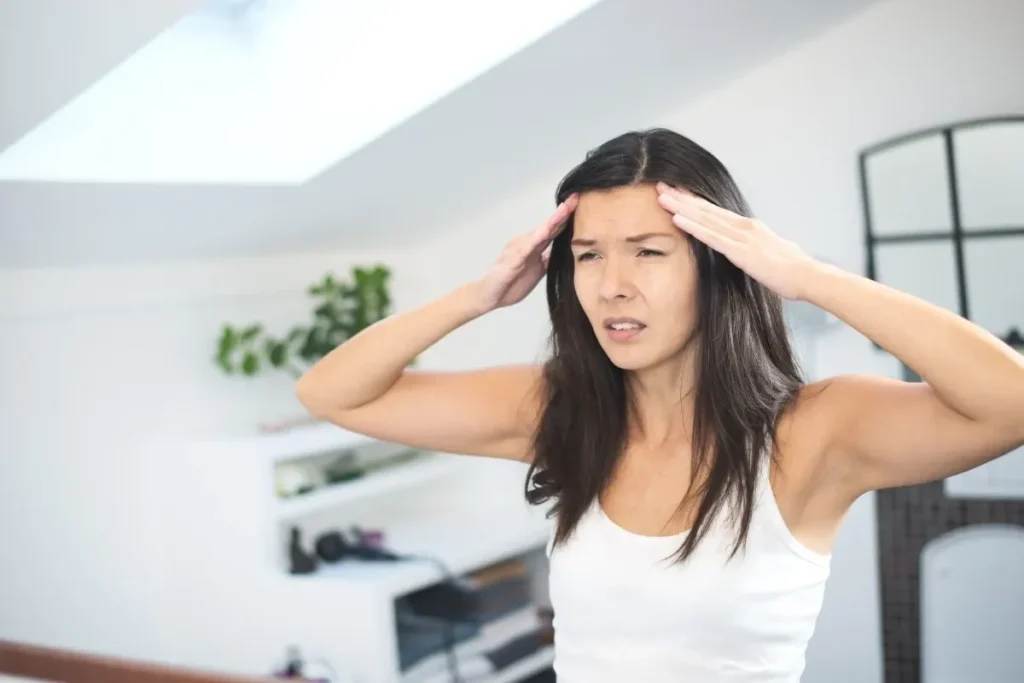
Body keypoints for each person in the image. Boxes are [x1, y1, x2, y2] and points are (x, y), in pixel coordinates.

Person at [295, 128, 1024, 682]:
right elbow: (331, 393)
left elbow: (1010, 403)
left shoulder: (814, 432)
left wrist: (807, 278)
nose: (612, 285)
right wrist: (477, 295)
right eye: (589, 255)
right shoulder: (560, 411)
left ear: (717, 266)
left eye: (647, 251)